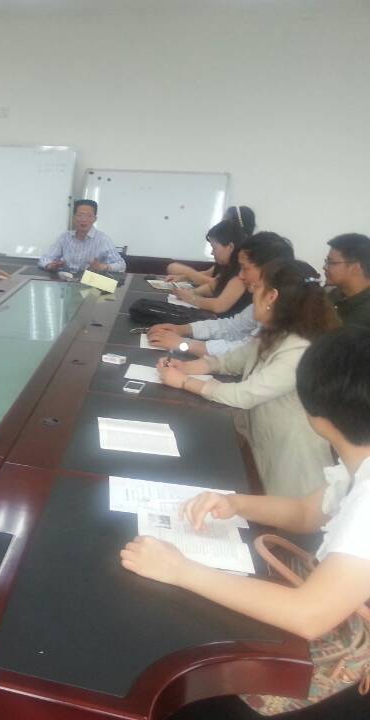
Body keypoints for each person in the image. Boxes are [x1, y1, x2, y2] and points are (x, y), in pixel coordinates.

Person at [123, 326, 370, 719]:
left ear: (315, 414)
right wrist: (235, 503)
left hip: (342, 680)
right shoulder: (359, 459)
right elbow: (306, 512)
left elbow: (309, 615)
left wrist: (179, 569)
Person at [157, 259, 338, 496]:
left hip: (292, 460)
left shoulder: (300, 348)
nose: (252, 294)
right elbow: (230, 361)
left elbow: (245, 394)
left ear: (271, 296)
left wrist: (183, 382)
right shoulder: (275, 332)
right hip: (262, 441)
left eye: (257, 288)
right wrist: (185, 367)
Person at [148, 232, 294, 357]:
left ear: (268, 269)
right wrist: (183, 329)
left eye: (245, 268)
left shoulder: (286, 312)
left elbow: (243, 352)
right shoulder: (264, 299)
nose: (241, 276)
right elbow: (232, 327)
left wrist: (183, 344)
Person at [167, 219, 250, 318]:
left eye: (214, 248)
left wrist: (191, 298)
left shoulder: (241, 272)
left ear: (230, 247)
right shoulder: (228, 266)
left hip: (225, 323)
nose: (211, 252)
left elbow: (219, 306)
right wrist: (191, 292)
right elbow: (212, 287)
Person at [166, 205, 256, 286]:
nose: (221, 224)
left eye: (225, 221)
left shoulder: (243, 258)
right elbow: (208, 274)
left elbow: (219, 284)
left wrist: (189, 273)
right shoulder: (225, 256)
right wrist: (184, 278)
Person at [38, 199, 126, 274]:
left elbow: (121, 265)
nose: (83, 219)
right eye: (80, 215)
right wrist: (50, 265)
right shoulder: (65, 237)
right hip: (66, 281)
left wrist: (103, 267)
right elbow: (45, 259)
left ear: (95, 219)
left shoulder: (103, 239)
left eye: (88, 216)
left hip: (90, 284)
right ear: (74, 217)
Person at [324, 233, 370, 330]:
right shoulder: (330, 297)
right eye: (326, 262)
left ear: (355, 267)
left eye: (331, 262)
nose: (325, 267)